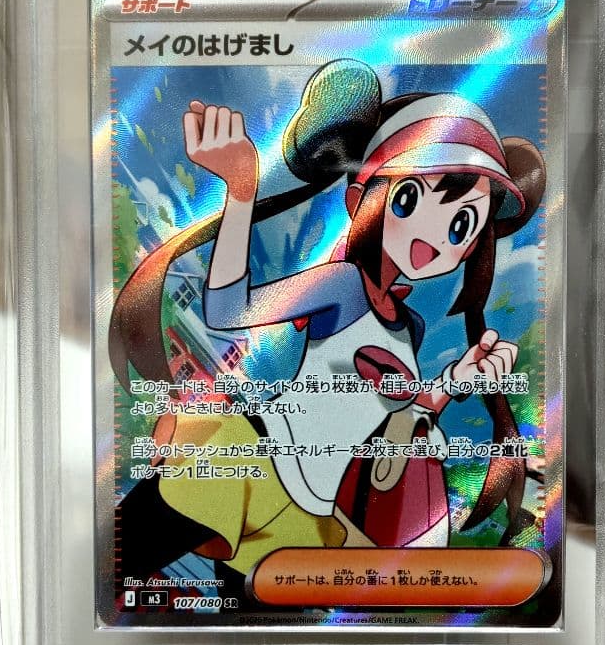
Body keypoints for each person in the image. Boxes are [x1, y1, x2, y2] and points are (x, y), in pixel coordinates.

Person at [110, 60, 545, 584]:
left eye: (460, 225)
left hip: (309, 516)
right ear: (360, 200)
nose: (435, 234)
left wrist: (454, 382)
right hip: (252, 467)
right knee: (113, 570)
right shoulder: (343, 284)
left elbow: (392, 419)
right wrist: (242, 193)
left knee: (230, 628)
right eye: (409, 200)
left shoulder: (409, 327)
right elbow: (228, 312)